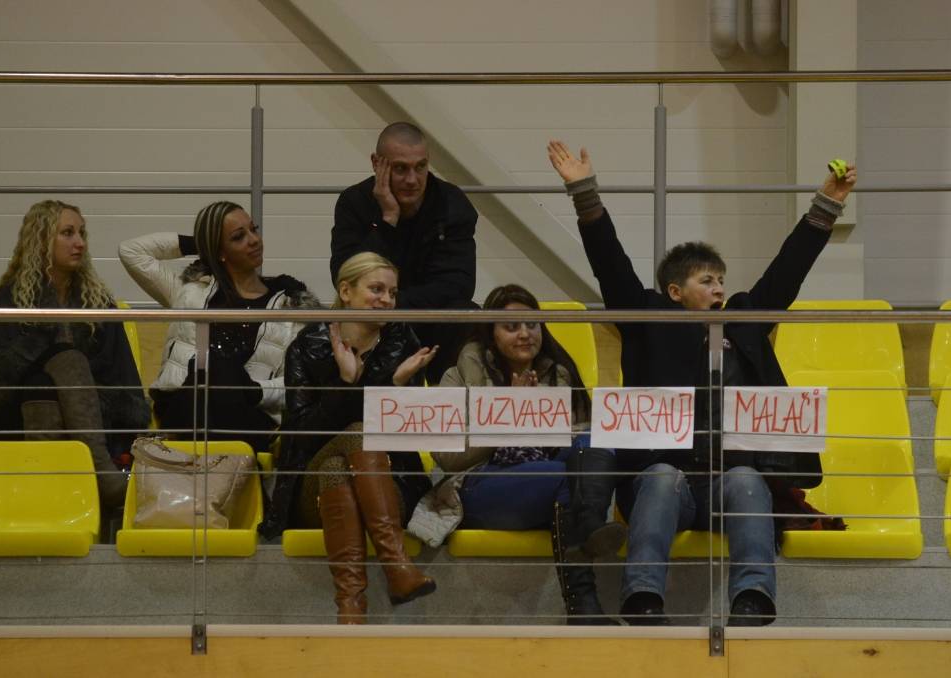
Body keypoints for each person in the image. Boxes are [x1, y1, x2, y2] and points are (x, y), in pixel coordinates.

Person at [547, 139, 857, 626]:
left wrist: (828, 204)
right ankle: (643, 599)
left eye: (721, 281)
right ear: (675, 292)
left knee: (748, 480)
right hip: (662, 480)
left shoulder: (744, 319)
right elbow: (610, 265)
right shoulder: (648, 317)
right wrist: (584, 193)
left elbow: (787, 272)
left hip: (725, 481)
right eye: (707, 281)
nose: (719, 289)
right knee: (662, 478)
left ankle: (753, 599)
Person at [416, 283, 626, 625]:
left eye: (532, 324)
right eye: (511, 327)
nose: (525, 334)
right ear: (491, 333)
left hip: (550, 485)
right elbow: (447, 458)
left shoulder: (560, 375)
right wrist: (509, 411)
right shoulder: (458, 375)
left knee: (592, 442)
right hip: (476, 484)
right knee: (564, 477)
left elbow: (580, 447)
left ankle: (588, 533)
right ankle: (584, 596)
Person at [261, 252, 438, 624]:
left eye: (392, 293)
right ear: (345, 291)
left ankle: (351, 607)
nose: (386, 300)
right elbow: (302, 436)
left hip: (390, 481)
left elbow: (407, 435)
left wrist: (397, 387)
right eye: (376, 289)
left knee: (337, 468)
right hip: (309, 488)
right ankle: (397, 568)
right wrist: (346, 383)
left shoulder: (404, 342)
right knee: (354, 438)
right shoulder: (307, 345)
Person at [0, 200, 150, 508]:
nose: (80, 243)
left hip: (92, 413)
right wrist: (50, 347)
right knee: (52, 373)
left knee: (63, 366)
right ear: (41, 239)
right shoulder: (10, 297)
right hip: (18, 413)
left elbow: (121, 373)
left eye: (81, 233)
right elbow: (1, 377)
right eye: (67, 233)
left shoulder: (98, 301)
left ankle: (46, 490)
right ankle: (99, 473)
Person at [118, 201, 318, 452]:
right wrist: (203, 244)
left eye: (253, 229)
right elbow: (131, 251)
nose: (254, 240)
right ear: (219, 250)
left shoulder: (289, 308)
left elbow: (298, 383)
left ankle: (214, 471)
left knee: (221, 371)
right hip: (186, 407)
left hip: (248, 412)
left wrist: (256, 391)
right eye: (238, 237)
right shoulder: (190, 292)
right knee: (208, 370)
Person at [330, 121, 478, 383]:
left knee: (468, 315)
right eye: (400, 168)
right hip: (374, 322)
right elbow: (347, 277)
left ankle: (452, 401)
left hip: (432, 321)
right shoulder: (354, 202)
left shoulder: (451, 202)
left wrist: (391, 304)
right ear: (376, 163)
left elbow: (458, 285)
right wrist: (388, 220)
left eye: (420, 167)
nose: (412, 180)